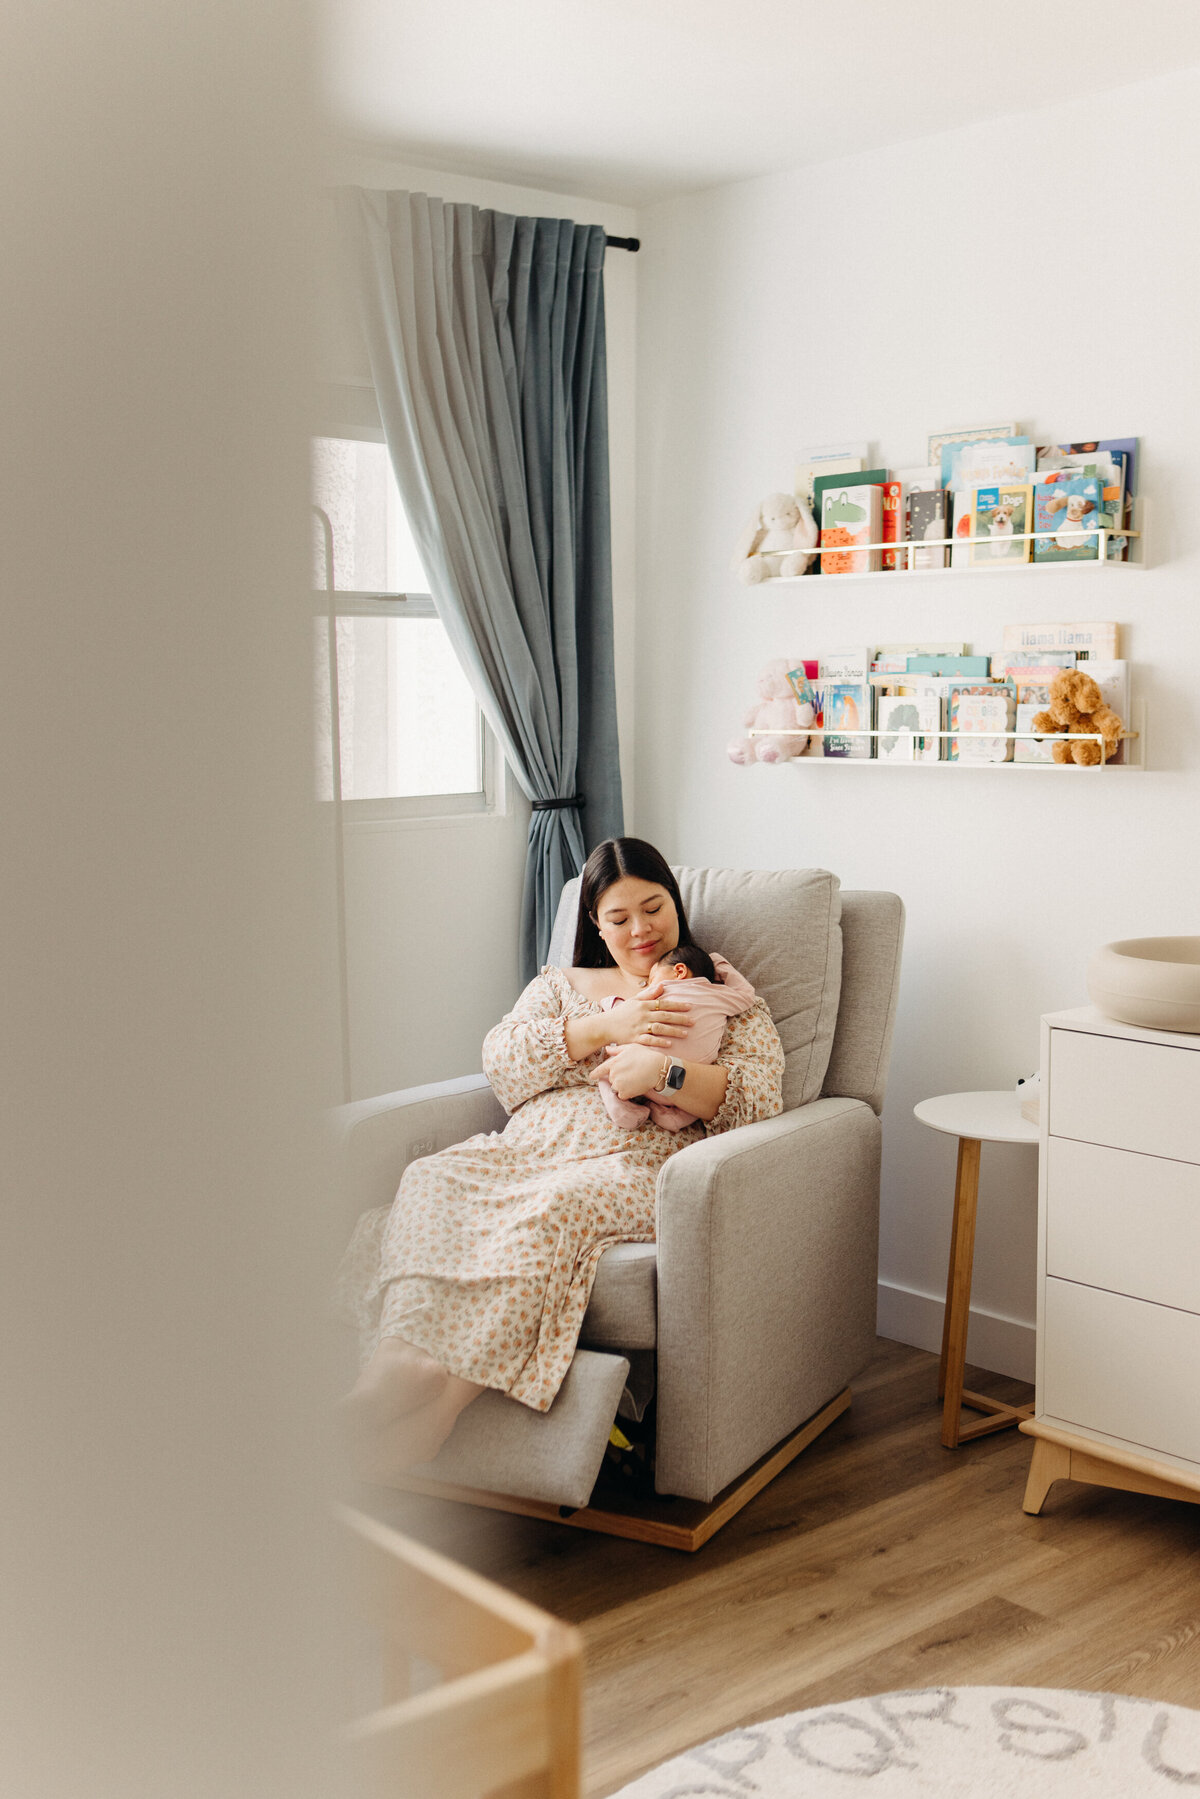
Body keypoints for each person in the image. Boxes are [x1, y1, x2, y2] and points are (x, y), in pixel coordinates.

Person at [336, 836, 785, 1481]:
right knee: (431, 1176)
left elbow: (760, 1096)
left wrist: (667, 1070)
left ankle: (431, 1404)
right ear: (596, 927)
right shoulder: (564, 985)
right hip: (527, 1151)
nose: (641, 931)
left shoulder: (714, 988)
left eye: (653, 908)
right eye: (619, 918)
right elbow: (504, 1066)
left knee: (550, 1209)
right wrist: (609, 1026)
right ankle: (400, 1367)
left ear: (675, 906)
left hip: (633, 1158)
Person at [593, 944, 756, 1132]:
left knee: (605, 1068)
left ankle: (623, 1112)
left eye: (652, 977)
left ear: (679, 971)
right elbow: (747, 994)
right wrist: (718, 962)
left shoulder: (660, 992)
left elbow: (627, 1013)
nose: (649, 983)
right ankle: (675, 1118)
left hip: (639, 1072)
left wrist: (610, 1003)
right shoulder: (721, 995)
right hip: (690, 1084)